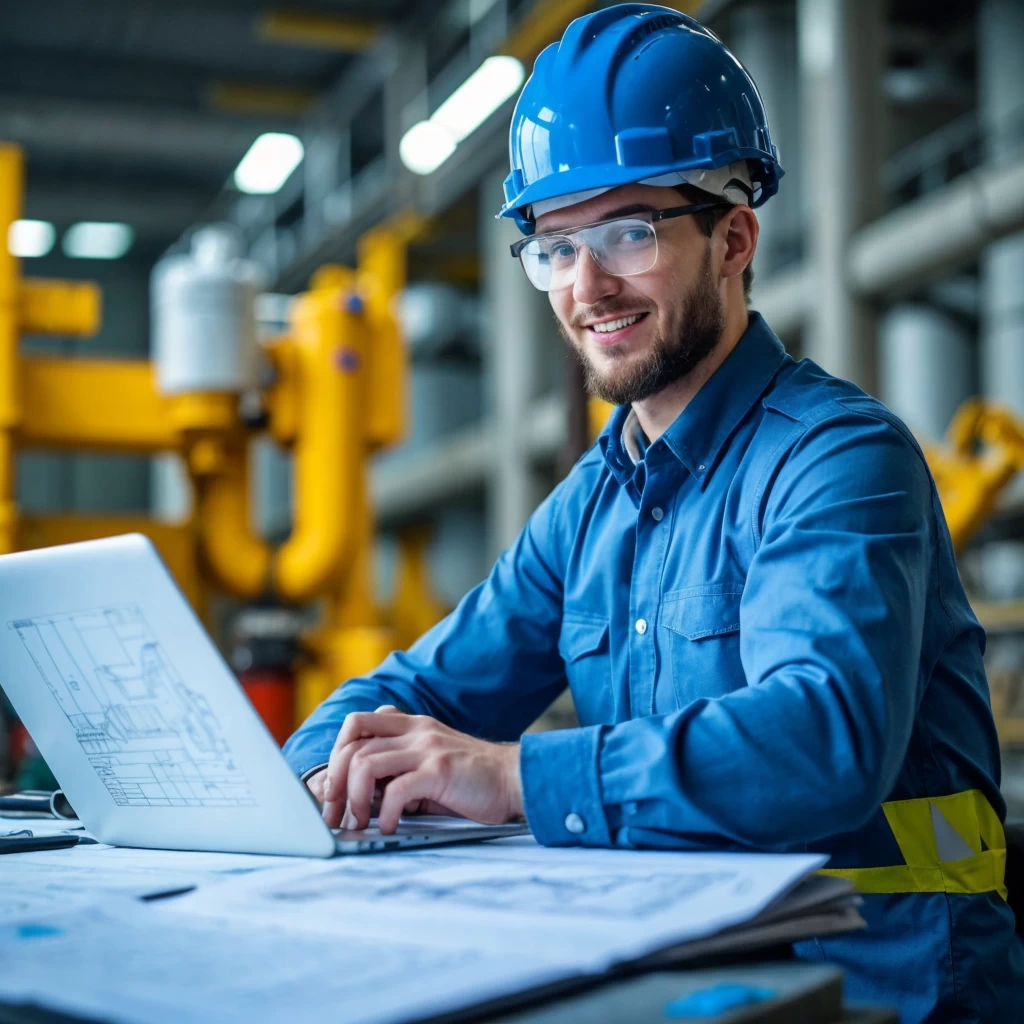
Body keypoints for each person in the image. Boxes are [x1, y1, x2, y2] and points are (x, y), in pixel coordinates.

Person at [283, 6, 1023, 1020]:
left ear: (734, 236)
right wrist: (328, 766)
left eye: (627, 231)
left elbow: (821, 741)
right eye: (554, 245)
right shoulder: (590, 506)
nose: (587, 286)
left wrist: (513, 777)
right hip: (687, 979)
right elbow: (417, 687)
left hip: (884, 985)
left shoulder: (838, 459)